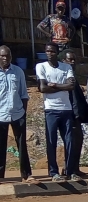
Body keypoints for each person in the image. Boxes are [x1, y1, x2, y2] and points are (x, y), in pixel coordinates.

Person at [36, 42, 77, 182]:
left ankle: (70, 171)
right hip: (51, 109)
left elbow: (71, 85)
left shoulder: (66, 67)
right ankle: (53, 172)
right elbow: (42, 88)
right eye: (47, 51)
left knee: (69, 141)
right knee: (51, 141)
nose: (49, 54)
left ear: (57, 52)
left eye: (52, 51)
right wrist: (62, 87)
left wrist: (54, 85)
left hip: (66, 109)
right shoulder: (41, 66)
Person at [0, 45, 36, 184]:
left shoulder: (18, 71)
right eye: (2, 56)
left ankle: (26, 175)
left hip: (17, 113)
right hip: (0, 114)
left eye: (7, 56)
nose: (5, 58)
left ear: (11, 57)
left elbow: (23, 94)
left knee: (22, 146)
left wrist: (23, 113)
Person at [62, 51, 88, 178]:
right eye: (69, 60)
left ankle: (75, 168)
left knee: (78, 141)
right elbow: (71, 98)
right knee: (72, 142)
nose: (72, 62)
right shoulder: (66, 77)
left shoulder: (72, 76)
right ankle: (70, 170)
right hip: (71, 116)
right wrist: (76, 115)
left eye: (74, 60)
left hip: (76, 115)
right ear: (64, 61)